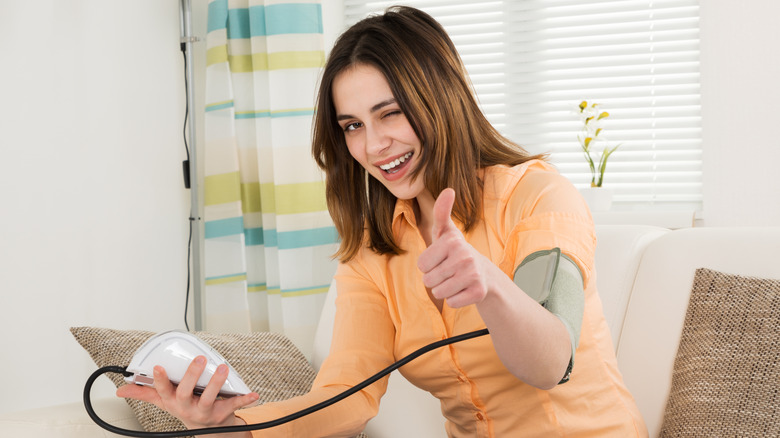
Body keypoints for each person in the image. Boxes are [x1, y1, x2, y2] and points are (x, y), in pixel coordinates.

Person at [117, 6, 648, 437]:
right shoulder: (374, 253)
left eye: (390, 113)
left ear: (439, 98)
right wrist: (228, 424)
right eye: (352, 125)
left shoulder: (537, 196)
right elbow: (345, 400)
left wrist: (490, 285)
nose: (373, 146)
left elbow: (551, 362)